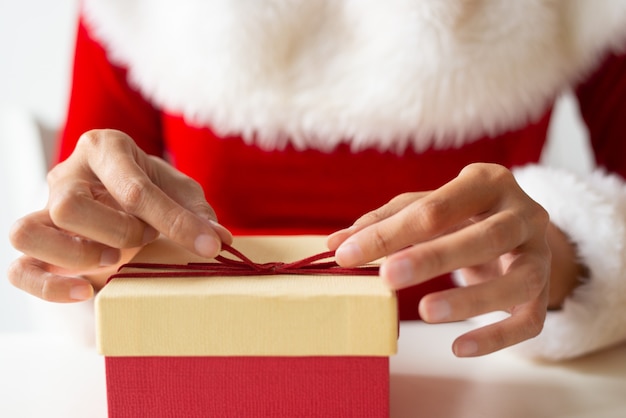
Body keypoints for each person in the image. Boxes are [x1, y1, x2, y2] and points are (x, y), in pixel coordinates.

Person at [7, 0, 626, 360]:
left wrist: (568, 264)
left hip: (468, 385)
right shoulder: (133, 11)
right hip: (205, 373)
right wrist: (89, 243)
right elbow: (84, 195)